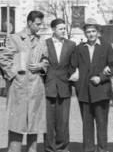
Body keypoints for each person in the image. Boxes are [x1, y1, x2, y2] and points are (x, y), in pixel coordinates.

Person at [0, 10, 49, 152]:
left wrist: (41, 66)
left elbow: (46, 59)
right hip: (19, 87)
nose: (39, 27)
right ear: (29, 23)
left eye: (41, 24)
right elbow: (3, 59)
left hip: (36, 87)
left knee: (34, 124)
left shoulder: (41, 41)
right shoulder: (15, 38)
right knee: (17, 124)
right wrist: (14, 77)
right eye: (37, 24)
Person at [71, 18, 113, 152]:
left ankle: (103, 149)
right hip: (84, 93)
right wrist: (77, 82)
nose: (91, 34)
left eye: (93, 31)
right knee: (87, 124)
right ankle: (88, 149)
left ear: (98, 32)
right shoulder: (79, 48)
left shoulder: (106, 46)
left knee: (102, 123)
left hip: (101, 91)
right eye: (88, 31)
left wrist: (101, 77)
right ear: (85, 33)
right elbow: (72, 67)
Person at [44, 18, 76, 152]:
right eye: (61, 29)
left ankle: (63, 148)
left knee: (63, 120)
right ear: (53, 30)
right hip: (49, 86)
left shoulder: (71, 44)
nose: (63, 31)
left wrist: (72, 75)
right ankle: (49, 148)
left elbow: (73, 64)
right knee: (49, 121)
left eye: (64, 28)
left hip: (64, 86)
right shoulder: (45, 44)